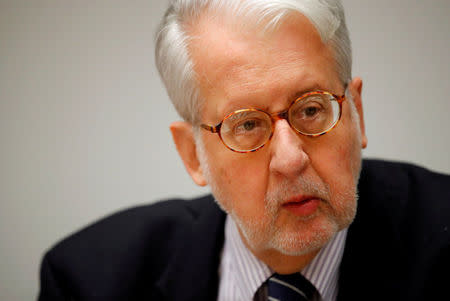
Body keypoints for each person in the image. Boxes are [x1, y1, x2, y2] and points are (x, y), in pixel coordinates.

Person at [38, 0, 450, 300]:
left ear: (355, 111)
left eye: (311, 109)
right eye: (248, 125)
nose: (291, 160)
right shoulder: (88, 281)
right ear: (193, 154)